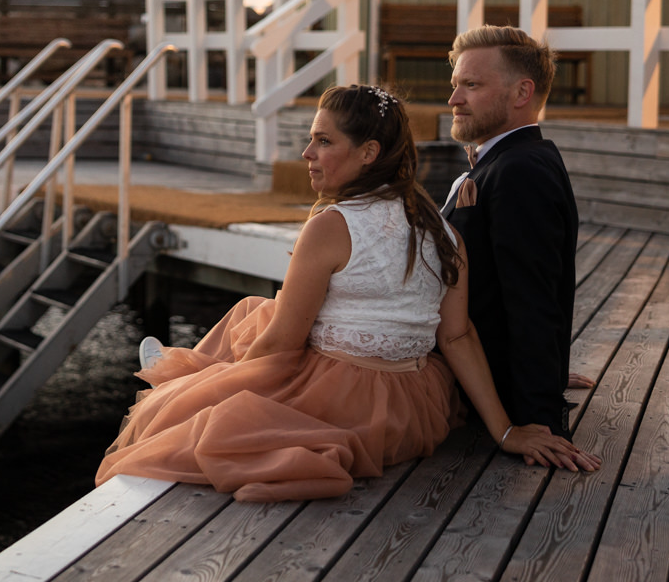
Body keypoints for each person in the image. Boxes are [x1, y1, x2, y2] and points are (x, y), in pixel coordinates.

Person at [95, 84, 598, 502]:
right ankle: (181, 366)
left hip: (344, 401)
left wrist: (214, 383)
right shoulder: (441, 230)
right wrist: (505, 429)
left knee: (216, 377)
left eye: (322, 142)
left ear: (369, 154)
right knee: (255, 309)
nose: (306, 155)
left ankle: (180, 371)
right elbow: (459, 337)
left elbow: (283, 347)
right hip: (414, 406)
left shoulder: (332, 224)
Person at [440, 26, 582, 439]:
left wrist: (538, 418)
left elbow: (533, 298)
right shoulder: (515, 160)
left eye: (471, 85)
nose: (453, 99)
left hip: (479, 398)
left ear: (522, 93)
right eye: (455, 85)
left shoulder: (519, 172)